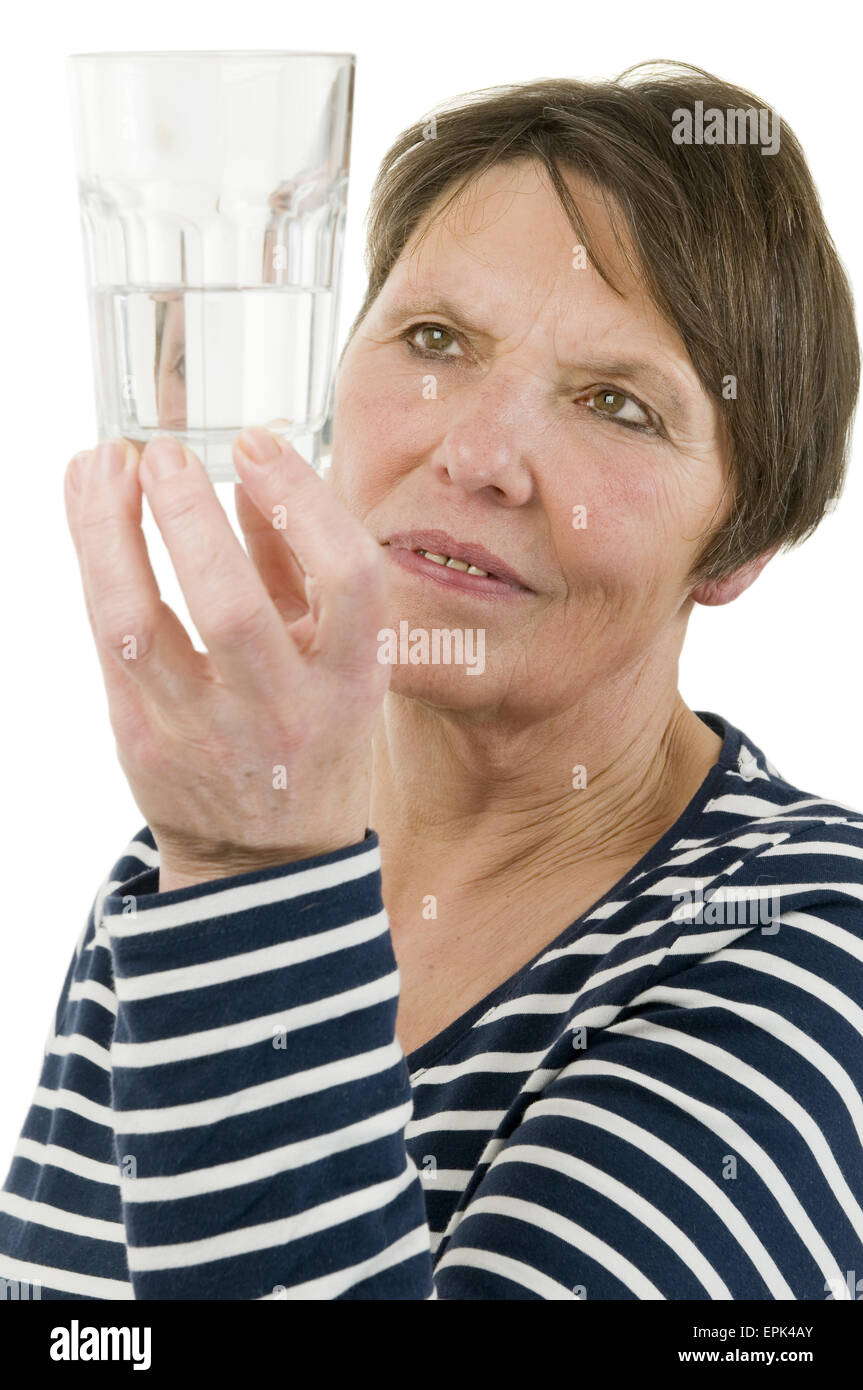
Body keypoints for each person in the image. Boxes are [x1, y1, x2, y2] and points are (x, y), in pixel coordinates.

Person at [1, 60, 861, 1301]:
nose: (475, 453)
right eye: (435, 339)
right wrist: (232, 871)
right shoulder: (169, 873)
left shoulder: (806, 943)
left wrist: (256, 881)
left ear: (740, 546)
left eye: (615, 405)